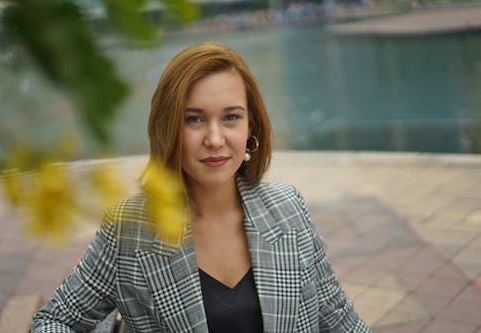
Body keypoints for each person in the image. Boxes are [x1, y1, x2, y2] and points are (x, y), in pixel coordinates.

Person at [31, 41, 371, 333]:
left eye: (230, 117)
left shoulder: (288, 208)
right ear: (168, 128)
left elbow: (339, 319)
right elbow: (54, 320)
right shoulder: (130, 229)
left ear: (251, 125)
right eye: (193, 119)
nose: (214, 139)